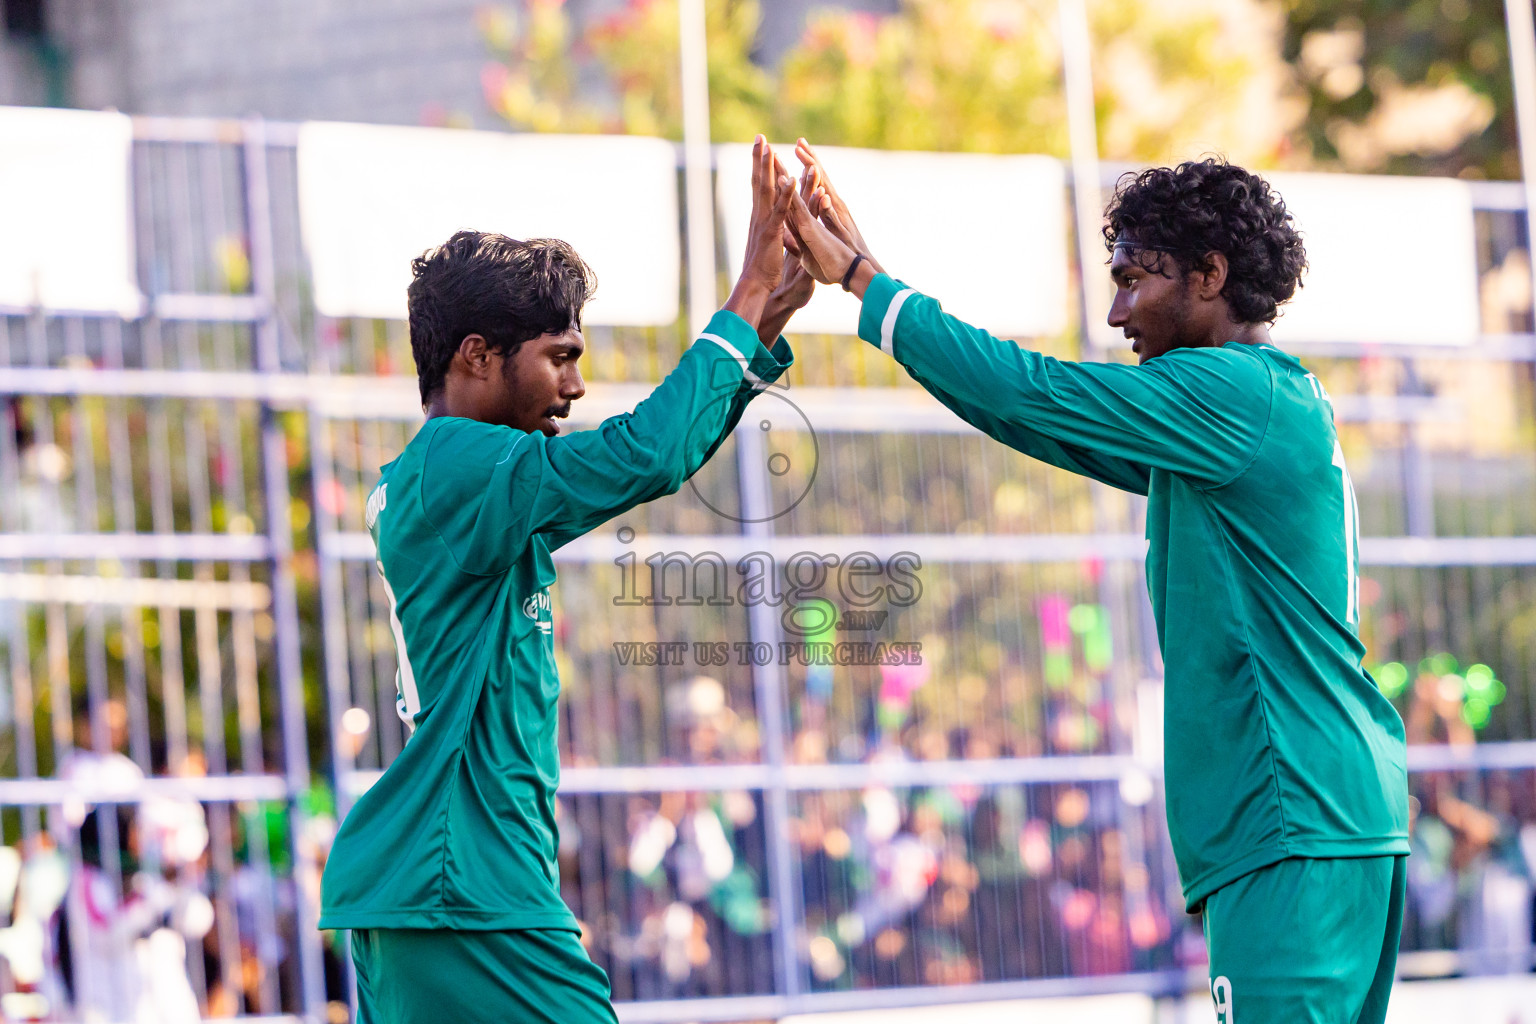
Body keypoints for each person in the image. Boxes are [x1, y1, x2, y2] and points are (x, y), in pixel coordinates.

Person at [784, 145, 1409, 1024]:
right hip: (1335, 809)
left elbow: (1031, 392)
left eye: (1132, 280)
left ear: (1210, 275)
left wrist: (864, 284)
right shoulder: (1266, 399)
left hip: (1291, 812)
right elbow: (1038, 420)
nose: (1117, 313)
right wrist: (876, 281)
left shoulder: (1227, 393)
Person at [319, 137, 813, 1023]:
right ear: (477, 356)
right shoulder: (463, 465)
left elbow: (652, 459)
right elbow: (647, 453)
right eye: (561, 356)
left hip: (435, 887)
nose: (576, 386)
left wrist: (761, 331)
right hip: (466, 889)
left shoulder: (463, 482)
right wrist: (746, 293)